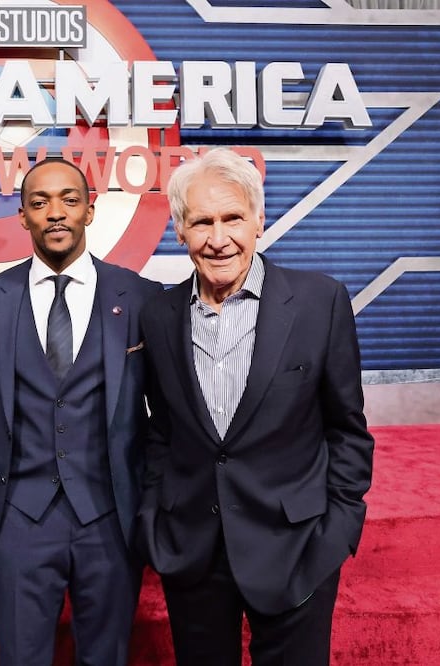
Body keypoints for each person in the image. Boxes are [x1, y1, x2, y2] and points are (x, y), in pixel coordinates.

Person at [137, 148, 375, 665]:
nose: (218, 239)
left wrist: (336, 532)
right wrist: (155, 521)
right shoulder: (156, 315)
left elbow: (347, 430)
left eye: (232, 219)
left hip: (296, 546)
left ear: (259, 220)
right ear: (179, 229)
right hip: (193, 550)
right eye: (201, 222)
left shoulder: (320, 301)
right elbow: (161, 431)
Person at [0, 158, 163, 666]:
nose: (55, 213)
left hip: (109, 516)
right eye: (39, 202)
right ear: (22, 217)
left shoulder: (140, 296)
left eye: (69, 200)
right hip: (21, 517)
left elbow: (164, 413)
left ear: (90, 210)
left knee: (106, 657)